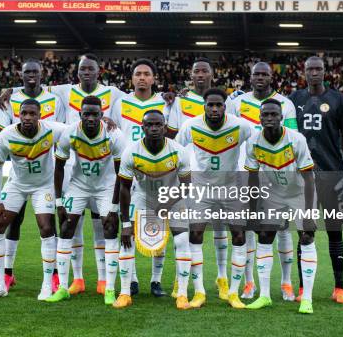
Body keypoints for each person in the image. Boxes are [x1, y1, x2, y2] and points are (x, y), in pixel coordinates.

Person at [0, 54, 125, 296]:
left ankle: (103, 281)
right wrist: (11, 89)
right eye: (82, 69)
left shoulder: (113, 92)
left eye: (91, 68)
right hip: (70, 167)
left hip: (101, 166)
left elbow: (131, 98)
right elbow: (33, 83)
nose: (86, 72)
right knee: (71, 225)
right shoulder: (64, 90)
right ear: (77, 72)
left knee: (102, 224)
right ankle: (76, 279)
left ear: (99, 72)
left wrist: (174, 93)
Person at [226, 61, 299, 301]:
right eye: (256, 73)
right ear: (250, 77)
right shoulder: (236, 103)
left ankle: (286, 282)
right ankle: (249, 284)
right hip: (245, 174)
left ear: (271, 77)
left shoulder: (286, 104)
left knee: (282, 230)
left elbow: (291, 139)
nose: (260, 77)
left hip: (277, 176)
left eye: (264, 74)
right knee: (248, 229)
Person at [175, 88, 253, 309]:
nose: (215, 108)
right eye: (211, 105)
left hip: (232, 188)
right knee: (196, 234)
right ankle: (199, 291)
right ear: (204, 106)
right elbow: (175, 150)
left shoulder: (241, 126)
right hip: (202, 189)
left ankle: (234, 293)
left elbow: (257, 143)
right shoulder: (191, 126)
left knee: (239, 236)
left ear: (225, 107)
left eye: (219, 105)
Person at [0, 99, 66, 300]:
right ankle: (0, 284)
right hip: (17, 184)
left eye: (32, 114)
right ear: (19, 114)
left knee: (46, 228)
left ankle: (47, 285)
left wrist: (104, 121)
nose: (27, 117)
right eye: (24, 113)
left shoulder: (51, 129)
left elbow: (76, 129)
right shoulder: (7, 135)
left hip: (43, 185)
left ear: (39, 115)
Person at [46, 95, 127, 305]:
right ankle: (63, 288)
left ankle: (109, 288)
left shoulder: (113, 134)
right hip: (79, 186)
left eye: (95, 114)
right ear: (80, 115)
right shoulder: (70, 132)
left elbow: (121, 174)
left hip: (106, 186)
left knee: (109, 229)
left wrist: (115, 207)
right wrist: (59, 202)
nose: (90, 118)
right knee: (66, 228)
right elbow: (59, 167)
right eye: (86, 114)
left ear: (102, 115)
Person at [0, 59, 65, 291]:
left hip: (44, 174)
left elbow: (66, 129)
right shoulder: (9, 100)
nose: (31, 75)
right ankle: (6, 274)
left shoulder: (55, 98)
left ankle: (53, 275)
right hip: (18, 174)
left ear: (42, 74)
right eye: (27, 72)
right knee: (12, 222)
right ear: (20, 74)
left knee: (47, 225)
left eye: (35, 71)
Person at [289, 56, 343, 305]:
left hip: (332, 174)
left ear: (325, 72)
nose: (314, 72)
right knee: (305, 232)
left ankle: (339, 288)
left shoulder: (338, 99)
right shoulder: (294, 99)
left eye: (318, 69)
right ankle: (301, 288)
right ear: (304, 72)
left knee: (334, 232)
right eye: (310, 69)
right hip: (303, 176)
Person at [244, 99, 317, 314]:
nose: (269, 118)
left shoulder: (296, 139)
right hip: (273, 194)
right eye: (265, 114)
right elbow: (252, 179)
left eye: (273, 114)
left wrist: (309, 213)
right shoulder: (253, 142)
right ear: (259, 117)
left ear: (281, 117)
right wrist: (251, 212)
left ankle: (307, 299)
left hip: (299, 193)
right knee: (265, 236)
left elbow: (309, 177)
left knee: (306, 236)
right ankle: (264, 295)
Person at [113, 110, 192, 309]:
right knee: (127, 240)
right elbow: (123, 188)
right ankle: (125, 292)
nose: (155, 129)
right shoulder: (131, 151)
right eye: (150, 125)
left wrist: (166, 205)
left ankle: (180, 293)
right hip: (142, 198)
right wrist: (126, 223)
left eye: (158, 125)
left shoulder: (178, 151)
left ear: (165, 127)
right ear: (143, 128)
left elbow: (186, 186)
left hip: (173, 198)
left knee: (182, 240)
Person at [110, 59, 172, 297]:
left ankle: (156, 281)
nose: (142, 77)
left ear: (154, 78)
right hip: (130, 171)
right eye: (138, 74)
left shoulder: (165, 102)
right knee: (130, 228)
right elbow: (112, 128)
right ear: (132, 79)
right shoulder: (120, 102)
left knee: (159, 230)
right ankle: (133, 280)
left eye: (147, 74)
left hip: (159, 173)